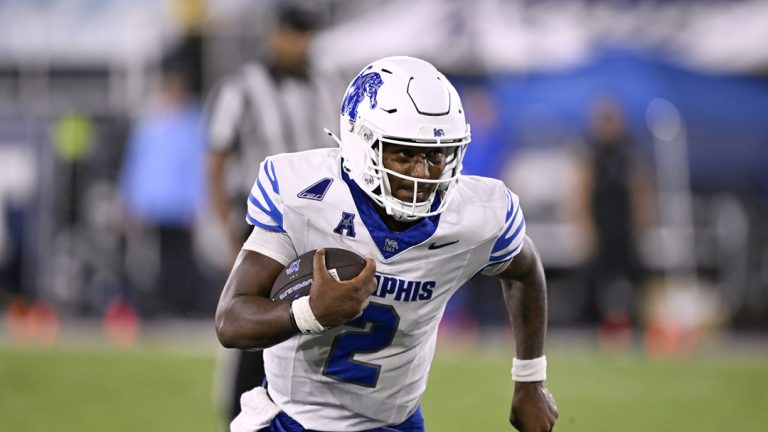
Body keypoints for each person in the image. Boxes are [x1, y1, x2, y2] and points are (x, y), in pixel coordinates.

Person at [215, 56, 558, 432]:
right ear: (362, 144)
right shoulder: (305, 195)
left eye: (434, 155)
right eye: (405, 153)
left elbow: (525, 270)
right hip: (290, 418)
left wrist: (529, 380)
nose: (421, 173)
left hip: (395, 424)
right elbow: (231, 320)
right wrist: (310, 312)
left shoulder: (477, 215)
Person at [206, 5, 342, 424]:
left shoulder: (327, 84)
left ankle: (310, 410)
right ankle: (238, 413)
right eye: (293, 33)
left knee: (316, 322)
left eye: (305, 34)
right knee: (250, 326)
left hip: (320, 221)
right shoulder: (241, 89)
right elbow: (215, 163)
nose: (299, 43)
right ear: (275, 34)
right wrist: (229, 232)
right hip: (263, 223)